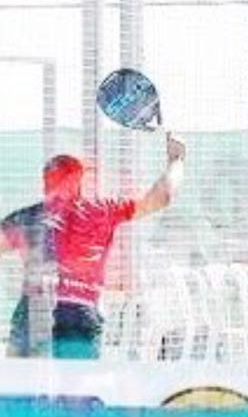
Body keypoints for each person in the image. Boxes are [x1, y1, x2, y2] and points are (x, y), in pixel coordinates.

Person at [1, 136, 185, 360]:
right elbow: (161, 198)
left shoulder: (27, 217)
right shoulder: (102, 212)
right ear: (79, 182)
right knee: (78, 381)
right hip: (78, 313)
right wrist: (177, 160)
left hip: (34, 311)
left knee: (20, 380)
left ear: (46, 182)